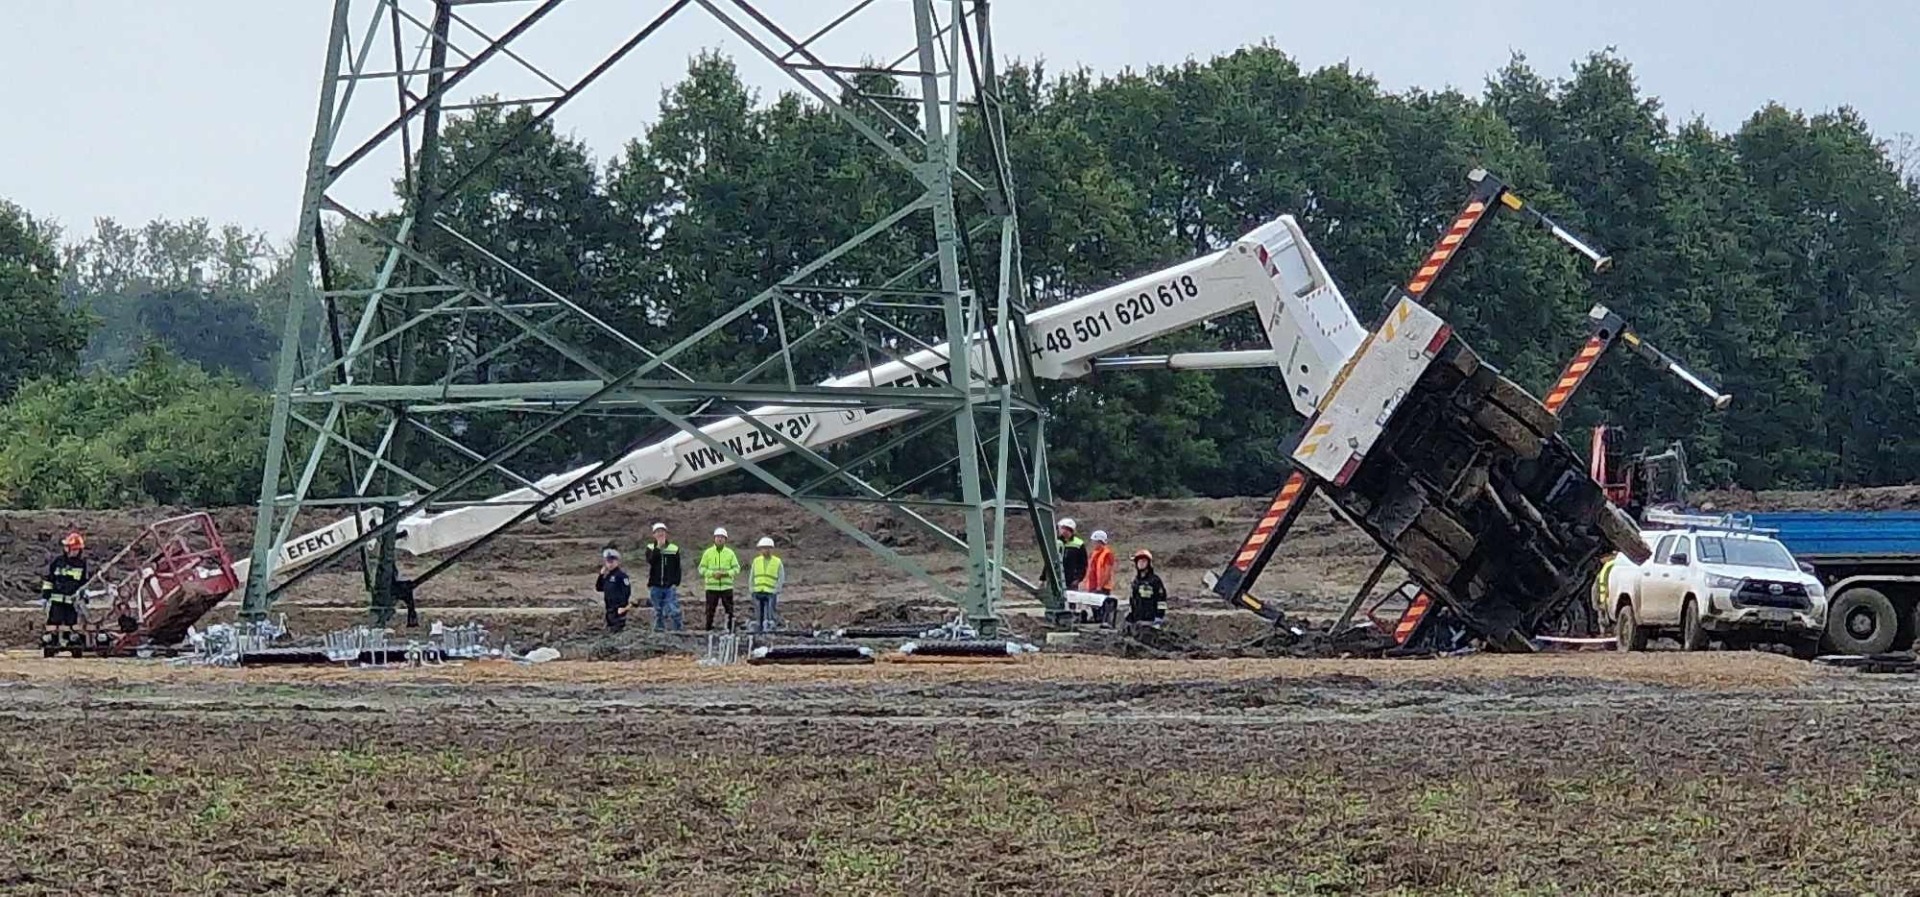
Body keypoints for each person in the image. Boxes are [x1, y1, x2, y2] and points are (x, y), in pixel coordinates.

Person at [40, 532, 88, 658]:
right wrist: (45, 596)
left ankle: (72, 641)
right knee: (53, 623)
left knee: (72, 624)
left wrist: (84, 594)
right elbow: (49, 579)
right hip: (57, 600)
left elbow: (83, 582)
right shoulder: (58, 562)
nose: (74, 551)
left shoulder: (81, 564)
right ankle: (51, 642)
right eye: (72, 549)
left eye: (76, 549)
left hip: (72, 602)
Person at [699, 527, 742, 631]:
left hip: (726, 587)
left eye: (722, 537)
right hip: (711, 587)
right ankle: (708, 628)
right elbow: (701, 568)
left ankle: (731, 629)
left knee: (729, 610)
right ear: (714, 538)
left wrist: (726, 574)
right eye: (718, 537)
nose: (720, 539)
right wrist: (713, 574)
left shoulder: (730, 553)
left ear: (725, 539)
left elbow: (737, 568)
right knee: (710, 610)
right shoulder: (708, 553)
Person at [644, 522, 684, 632]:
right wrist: (658, 548)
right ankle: (659, 632)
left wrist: (676, 582)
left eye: (662, 531)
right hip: (655, 585)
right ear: (654, 534)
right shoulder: (650, 548)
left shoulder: (673, 548)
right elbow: (651, 561)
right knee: (658, 610)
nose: (660, 534)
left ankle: (678, 630)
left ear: (666, 533)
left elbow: (677, 567)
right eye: (657, 532)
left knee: (673, 608)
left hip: (669, 585)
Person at [750, 536, 786, 634]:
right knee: (758, 613)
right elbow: (752, 575)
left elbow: (781, 576)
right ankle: (759, 628)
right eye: (763, 548)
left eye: (767, 548)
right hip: (758, 591)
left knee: (770, 613)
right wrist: (752, 588)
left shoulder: (777, 562)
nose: (765, 550)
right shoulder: (756, 561)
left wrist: (777, 589)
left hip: (771, 592)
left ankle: (770, 628)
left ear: (771, 549)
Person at [1126, 548, 1167, 627]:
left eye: (1144, 561)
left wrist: (1159, 617)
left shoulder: (1155, 581)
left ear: (1149, 563)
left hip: (1150, 621)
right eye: (1139, 561)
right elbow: (1132, 600)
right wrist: (1131, 615)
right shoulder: (1136, 582)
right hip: (1137, 621)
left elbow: (1162, 600)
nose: (1141, 563)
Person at [1084, 529, 1117, 626]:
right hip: (1092, 585)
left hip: (1102, 587)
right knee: (1094, 607)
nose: (1093, 543)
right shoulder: (1094, 553)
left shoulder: (1107, 554)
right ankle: (1097, 620)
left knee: (1102, 607)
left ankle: (1103, 622)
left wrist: (1100, 586)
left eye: (1095, 541)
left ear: (1100, 541)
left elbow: (1107, 571)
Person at [596, 548, 633, 633]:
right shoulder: (607, 576)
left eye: (612, 562)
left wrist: (623, 606)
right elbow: (599, 588)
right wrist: (601, 575)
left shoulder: (621, 576)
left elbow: (626, 592)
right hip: (609, 609)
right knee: (610, 631)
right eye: (608, 562)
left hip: (619, 609)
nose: (610, 564)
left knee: (617, 632)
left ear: (617, 562)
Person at [1057, 517, 1087, 594]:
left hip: (1071, 581)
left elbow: (1083, 564)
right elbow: (1049, 560)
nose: (1063, 531)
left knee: (1071, 603)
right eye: (1062, 528)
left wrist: (1078, 579)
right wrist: (1043, 578)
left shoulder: (1078, 544)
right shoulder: (1056, 542)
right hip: (1056, 579)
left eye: (1066, 529)